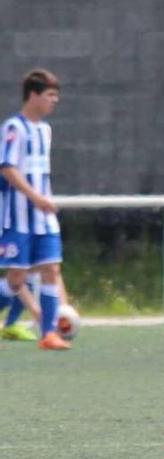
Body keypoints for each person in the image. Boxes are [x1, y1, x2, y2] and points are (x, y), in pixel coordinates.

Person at [0, 69, 69, 350]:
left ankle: (49, 333)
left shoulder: (45, 130)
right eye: (50, 95)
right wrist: (35, 198)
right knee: (17, 278)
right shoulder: (14, 128)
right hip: (18, 218)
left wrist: (44, 201)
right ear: (33, 95)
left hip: (44, 219)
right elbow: (7, 168)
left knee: (51, 268)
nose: (54, 101)